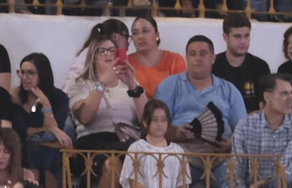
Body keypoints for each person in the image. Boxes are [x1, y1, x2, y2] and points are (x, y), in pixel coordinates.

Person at [68, 35, 148, 188]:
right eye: (102, 51)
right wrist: (102, 83)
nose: (108, 55)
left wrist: (132, 84)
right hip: (94, 144)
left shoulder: (129, 84)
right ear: (93, 57)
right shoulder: (81, 84)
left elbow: (147, 120)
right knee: (112, 163)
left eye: (112, 51)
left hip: (127, 143)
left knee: (142, 164)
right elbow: (85, 117)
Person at [233, 74, 292, 188]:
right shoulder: (245, 126)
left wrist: (268, 184)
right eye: (284, 93)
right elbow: (237, 169)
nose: (291, 98)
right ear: (267, 97)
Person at [12, 54, 71, 188]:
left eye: (30, 73)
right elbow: (20, 130)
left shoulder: (59, 98)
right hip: (22, 147)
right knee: (30, 151)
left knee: (48, 154)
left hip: (50, 149)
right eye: (22, 72)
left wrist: (46, 106)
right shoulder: (16, 97)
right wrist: (47, 129)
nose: (24, 78)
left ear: (42, 75)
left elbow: (56, 131)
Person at [212, 14, 273, 115]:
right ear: (225, 37)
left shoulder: (260, 66)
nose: (243, 41)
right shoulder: (213, 65)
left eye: (247, 36)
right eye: (237, 36)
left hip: (252, 126)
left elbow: (266, 106)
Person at [120, 101, 187, 188]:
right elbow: (134, 181)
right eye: (154, 120)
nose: (159, 124)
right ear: (145, 122)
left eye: (163, 120)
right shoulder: (136, 148)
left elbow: (182, 183)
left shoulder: (178, 151)